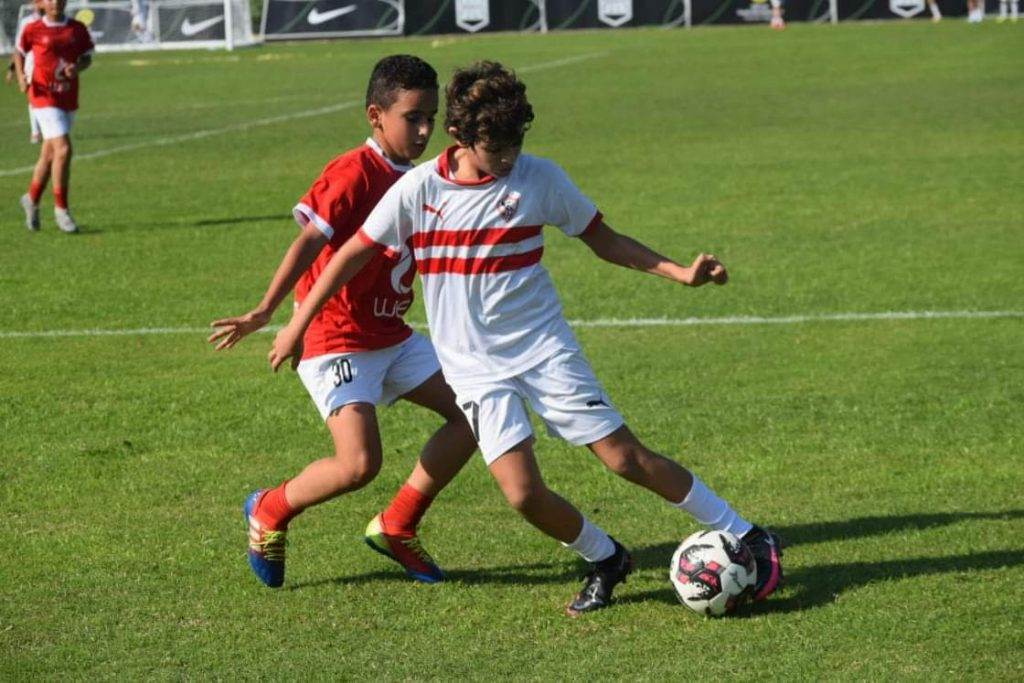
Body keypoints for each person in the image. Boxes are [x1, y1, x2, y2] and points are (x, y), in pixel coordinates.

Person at [269, 61, 785, 616]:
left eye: (516, 143)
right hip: (473, 370)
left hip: (543, 351)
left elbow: (604, 240)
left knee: (623, 458)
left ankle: (747, 533)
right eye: (496, 148)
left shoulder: (540, 179)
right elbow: (350, 254)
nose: (509, 158)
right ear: (459, 135)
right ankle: (607, 558)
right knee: (522, 493)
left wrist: (680, 273)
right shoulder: (418, 190)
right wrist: (295, 325)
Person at [209, 55, 476, 589]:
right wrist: (270, 313)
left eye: (431, 117)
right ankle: (269, 508)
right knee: (358, 464)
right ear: (376, 116)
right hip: (335, 337)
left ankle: (398, 524)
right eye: (412, 118)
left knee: (476, 413)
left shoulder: (424, 178)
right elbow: (310, 241)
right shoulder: (355, 171)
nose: (424, 130)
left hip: (391, 334)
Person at [14, 0, 93, 234]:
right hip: (42, 95)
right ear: (42, 3)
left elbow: (87, 57)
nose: (55, 2)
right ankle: (62, 210)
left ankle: (31, 198)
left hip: (67, 96)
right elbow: (19, 52)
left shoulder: (77, 29)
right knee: (64, 150)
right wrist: (20, 77)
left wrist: (77, 68)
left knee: (49, 154)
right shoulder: (33, 28)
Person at [5, 0, 45, 143]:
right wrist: (13, 69)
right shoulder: (26, 22)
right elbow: (18, 48)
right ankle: (35, 132)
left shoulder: (54, 21)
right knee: (33, 96)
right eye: (37, 2)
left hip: (50, 66)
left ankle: (47, 129)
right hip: (31, 65)